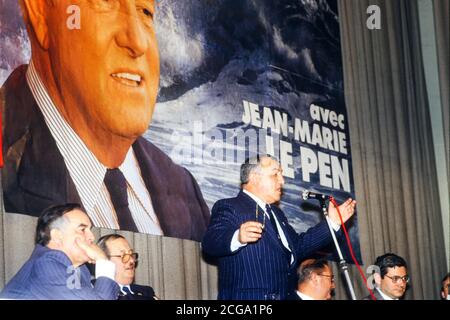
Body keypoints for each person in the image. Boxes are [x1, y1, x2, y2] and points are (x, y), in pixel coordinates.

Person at [1, 0, 209, 241]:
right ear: (40, 14)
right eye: (105, 3)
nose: (138, 41)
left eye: (145, 11)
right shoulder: (8, 158)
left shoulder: (184, 188)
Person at [201, 155, 356, 300]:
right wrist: (237, 237)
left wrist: (333, 223)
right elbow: (210, 243)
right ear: (254, 178)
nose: (282, 181)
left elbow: (299, 246)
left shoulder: (277, 214)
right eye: (275, 174)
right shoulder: (230, 206)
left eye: (281, 175)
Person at [0, 203, 119, 300]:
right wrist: (103, 261)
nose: (92, 237)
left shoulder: (79, 269)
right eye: (82, 229)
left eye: (90, 230)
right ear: (57, 236)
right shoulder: (46, 263)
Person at [97, 234, 158, 300]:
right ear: (104, 261)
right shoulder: (95, 291)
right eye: (123, 255)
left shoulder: (146, 291)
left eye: (131, 254)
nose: (132, 260)